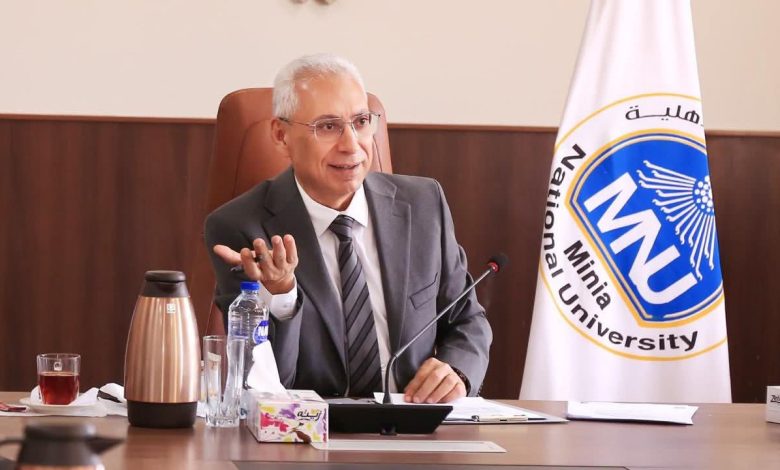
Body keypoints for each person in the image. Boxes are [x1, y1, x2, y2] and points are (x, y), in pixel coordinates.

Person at [205, 53, 491, 404]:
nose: (351, 145)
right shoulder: (241, 228)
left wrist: (457, 371)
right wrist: (281, 295)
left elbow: (467, 319)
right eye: (327, 127)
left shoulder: (422, 205)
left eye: (361, 122)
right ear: (281, 136)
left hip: (413, 420)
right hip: (311, 426)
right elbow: (265, 383)